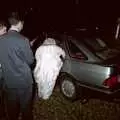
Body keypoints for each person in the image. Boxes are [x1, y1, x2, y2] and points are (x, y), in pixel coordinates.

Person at [0, 12, 35, 120]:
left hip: (9, 82)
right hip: (24, 82)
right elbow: (30, 61)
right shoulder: (23, 39)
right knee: (26, 110)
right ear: (20, 23)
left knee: (12, 111)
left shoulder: (1, 39)